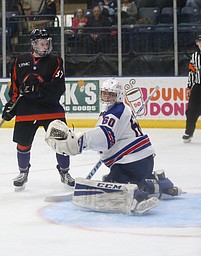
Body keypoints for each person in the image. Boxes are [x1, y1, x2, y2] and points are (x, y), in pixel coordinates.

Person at [45, 78, 182, 215]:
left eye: (111, 94)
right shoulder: (115, 110)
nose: (107, 97)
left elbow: (105, 137)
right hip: (137, 161)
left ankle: (137, 198)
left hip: (133, 162)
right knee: (115, 181)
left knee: (116, 185)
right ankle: (162, 184)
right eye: (104, 93)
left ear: (119, 95)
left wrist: (79, 142)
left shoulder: (116, 111)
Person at [1, 28, 74, 191]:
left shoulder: (56, 61)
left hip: (51, 109)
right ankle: (23, 172)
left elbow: (58, 87)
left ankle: (65, 172)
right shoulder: (20, 61)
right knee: (23, 143)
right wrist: (11, 106)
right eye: (42, 43)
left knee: (61, 141)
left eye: (47, 42)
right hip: (26, 109)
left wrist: (38, 89)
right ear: (33, 44)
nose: (46, 46)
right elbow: (14, 87)